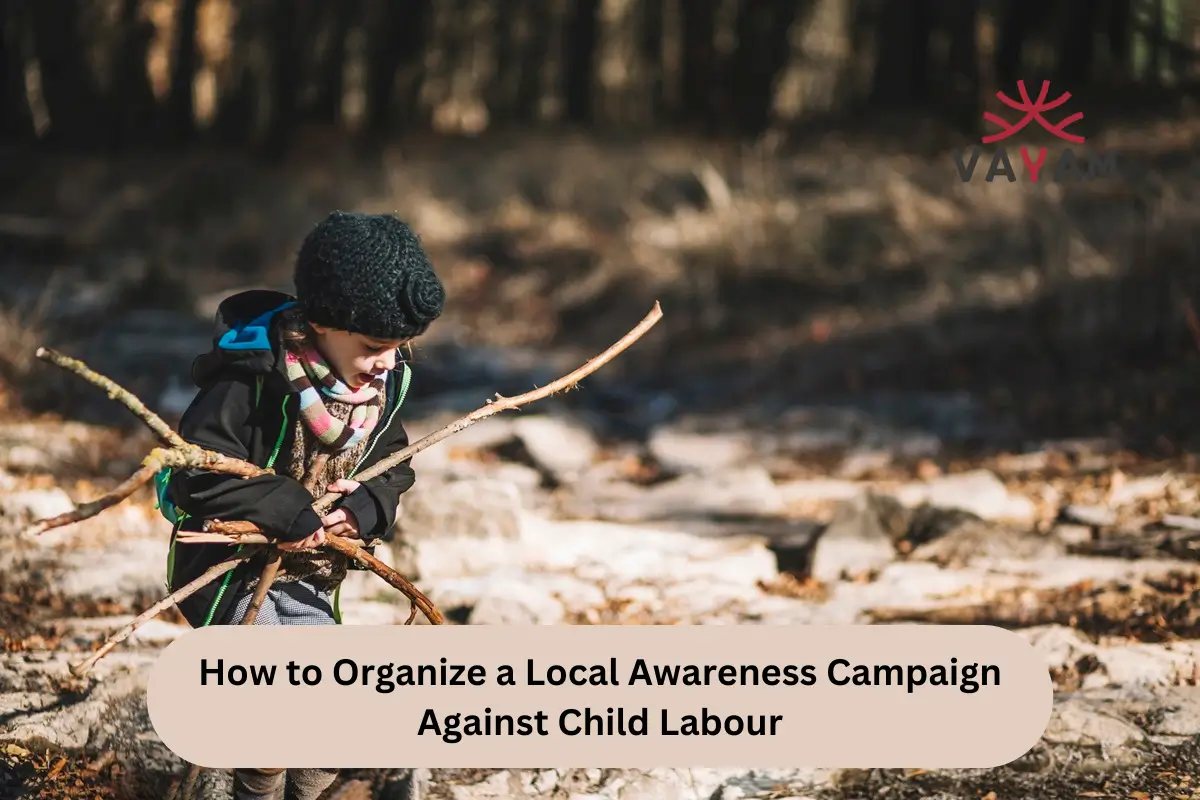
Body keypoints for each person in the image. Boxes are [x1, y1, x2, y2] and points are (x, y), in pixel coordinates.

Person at [162, 210, 445, 800]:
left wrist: (366, 507)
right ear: (322, 324)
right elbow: (195, 472)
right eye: (374, 347)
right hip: (229, 571)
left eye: (399, 348)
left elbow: (393, 460)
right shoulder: (252, 377)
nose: (388, 362)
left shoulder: (381, 382)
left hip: (311, 576)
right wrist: (284, 508)